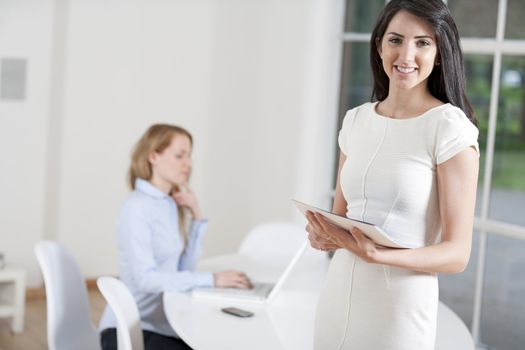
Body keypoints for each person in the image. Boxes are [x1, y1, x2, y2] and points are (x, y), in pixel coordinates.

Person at [305, 1, 479, 349]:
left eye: (422, 43)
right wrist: (322, 233)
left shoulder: (448, 128)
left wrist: (380, 256)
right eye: (396, 39)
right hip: (338, 295)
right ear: (379, 45)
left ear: (440, 53)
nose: (407, 54)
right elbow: (342, 220)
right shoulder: (356, 121)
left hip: (399, 306)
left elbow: (456, 254)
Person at [99, 124, 252, 350]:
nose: (187, 164)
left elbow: (181, 272)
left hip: (162, 324)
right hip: (128, 329)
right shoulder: (137, 207)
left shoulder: (168, 203)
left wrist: (197, 218)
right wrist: (213, 279)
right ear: (153, 156)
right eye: (179, 155)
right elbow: (146, 280)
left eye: (189, 156)